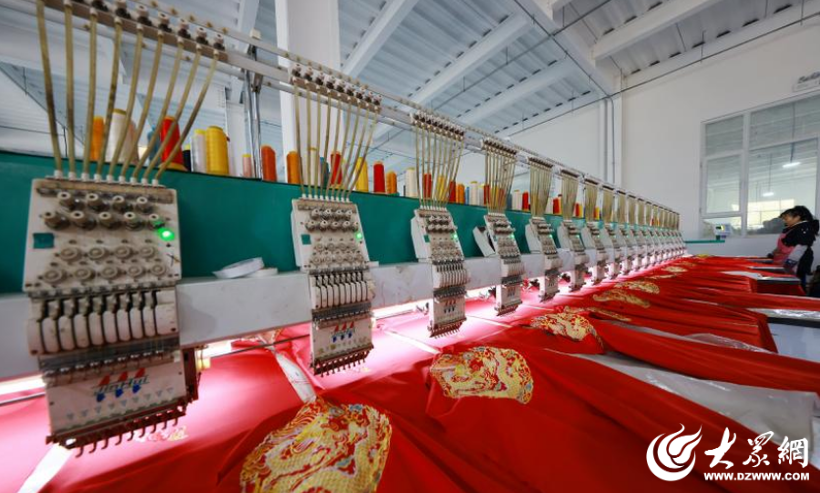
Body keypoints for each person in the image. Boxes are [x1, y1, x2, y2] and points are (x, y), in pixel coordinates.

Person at [771, 206, 819, 291]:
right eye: (784, 219)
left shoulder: (804, 228)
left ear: (797, 217)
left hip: (799, 259)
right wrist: (773, 253)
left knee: (798, 282)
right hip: (789, 258)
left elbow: (800, 248)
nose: (785, 221)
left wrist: (790, 263)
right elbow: (783, 244)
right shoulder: (791, 228)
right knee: (789, 281)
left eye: (786, 218)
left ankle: (800, 296)